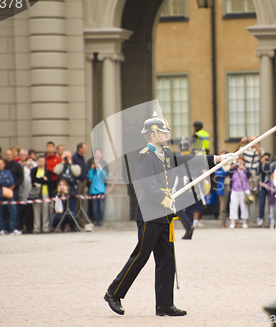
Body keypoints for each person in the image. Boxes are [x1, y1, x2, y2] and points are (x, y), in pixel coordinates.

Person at [104, 112, 224, 317]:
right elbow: (147, 186)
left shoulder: (166, 154)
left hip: (165, 215)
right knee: (140, 256)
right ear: (153, 135)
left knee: (167, 259)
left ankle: (164, 304)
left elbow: (184, 159)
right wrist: (163, 197)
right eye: (163, 131)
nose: (167, 134)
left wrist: (216, 158)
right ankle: (113, 293)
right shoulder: (145, 156)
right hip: (150, 215)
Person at [237, 135, 263, 225]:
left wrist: (255, 145)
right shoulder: (245, 149)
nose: (252, 142)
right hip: (246, 174)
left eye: (254, 140)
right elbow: (236, 152)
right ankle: (244, 218)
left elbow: (261, 155)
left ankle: (258, 217)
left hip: (256, 174)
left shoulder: (259, 149)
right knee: (246, 195)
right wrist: (241, 142)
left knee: (257, 196)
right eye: (251, 140)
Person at [0, 158, 20, 235]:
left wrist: (1, 180)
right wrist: (5, 181)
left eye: (2, 163)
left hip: (7, 194)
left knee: (13, 211)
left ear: (4, 164)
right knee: (0, 212)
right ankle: (2, 229)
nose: (0, 165)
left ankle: (12, 228)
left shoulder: (8, 172)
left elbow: (11, 181)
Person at [227, 158, 251, 229]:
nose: (240, 163)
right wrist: (233, 167)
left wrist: (244, 169)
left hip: (244, 190)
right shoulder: (233, 170)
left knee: (244, 207)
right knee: (233, 206)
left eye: (241, 161)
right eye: (238, 161)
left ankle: (244, 223)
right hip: (234, 191)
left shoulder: (246, 169)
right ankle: (232, 223)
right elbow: (227, 174)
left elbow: (250, 175)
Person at [30, 156, 53, 234]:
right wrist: (43, 179)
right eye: (39, 161)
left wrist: (40, 180)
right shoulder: (33, 171)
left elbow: (49, 182)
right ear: (37, 161)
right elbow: (33, 180)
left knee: (45, 211)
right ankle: (36, 227)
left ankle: (45, 227)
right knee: (36, 211)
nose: (41, 163)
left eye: (42, 161)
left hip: (45, 192)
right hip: (36, 193)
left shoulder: (47, 171)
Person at [87, 158, 107, 227]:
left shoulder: (101, 171)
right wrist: (92, 169)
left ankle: (100, 220)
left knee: (101, 207)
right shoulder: (92, 171)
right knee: (94, 207)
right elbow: (90, 178)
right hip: (93, 191)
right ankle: (95, 219)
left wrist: (100, 168)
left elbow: (104, 176)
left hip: (100, 191)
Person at [258, 153, 276, 226]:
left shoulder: (271, 165)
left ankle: (271, 218)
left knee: (271, 203)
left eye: (267, 159)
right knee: (261, 202)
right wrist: (261, 163)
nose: (266, 160)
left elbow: (271, 171)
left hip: (270, 186)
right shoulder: (259, 165)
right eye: (264, 158)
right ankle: (261, 218)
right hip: (262, 186)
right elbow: (258, 171)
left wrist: (267, 164)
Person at [214, 151, 231, 229]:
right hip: (223, 186)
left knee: (234, 205)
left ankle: (235, 222)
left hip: (234, 186)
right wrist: (228, 172)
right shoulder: (219, 166)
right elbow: (218, 175)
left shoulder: (232, 165)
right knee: (223, 206)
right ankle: (223, 223)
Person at [72, 142, 89, 219]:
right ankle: (78, 219)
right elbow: (74, 169)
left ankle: (81, 218)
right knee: (78, 201)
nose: (86, 150)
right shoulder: (74, 157)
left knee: (82, 201)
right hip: (78, 182)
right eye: (84, 148)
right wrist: (77, 178)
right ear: (80, 149)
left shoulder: (82, 157)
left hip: (83, 181)